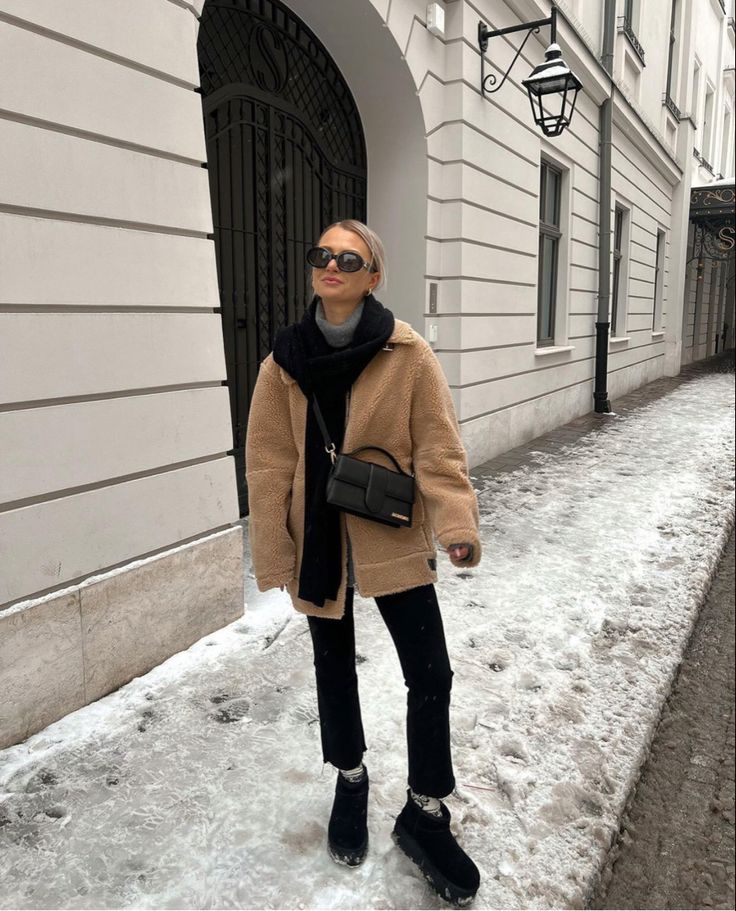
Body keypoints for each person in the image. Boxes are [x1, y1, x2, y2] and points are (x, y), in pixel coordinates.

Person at [245, 220, 482, 906]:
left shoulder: (408, 354)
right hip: (318, 540)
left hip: (390, 534)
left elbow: (438, 449)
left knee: (430, 672)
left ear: (373, 275)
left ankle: (425, 810)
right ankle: (350, 780)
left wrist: (457, 523)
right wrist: (274, 548)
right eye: (322, 254)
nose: (332, 266)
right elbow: (269, 463)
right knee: (333, 667)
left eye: (349, 259)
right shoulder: (282, 362)